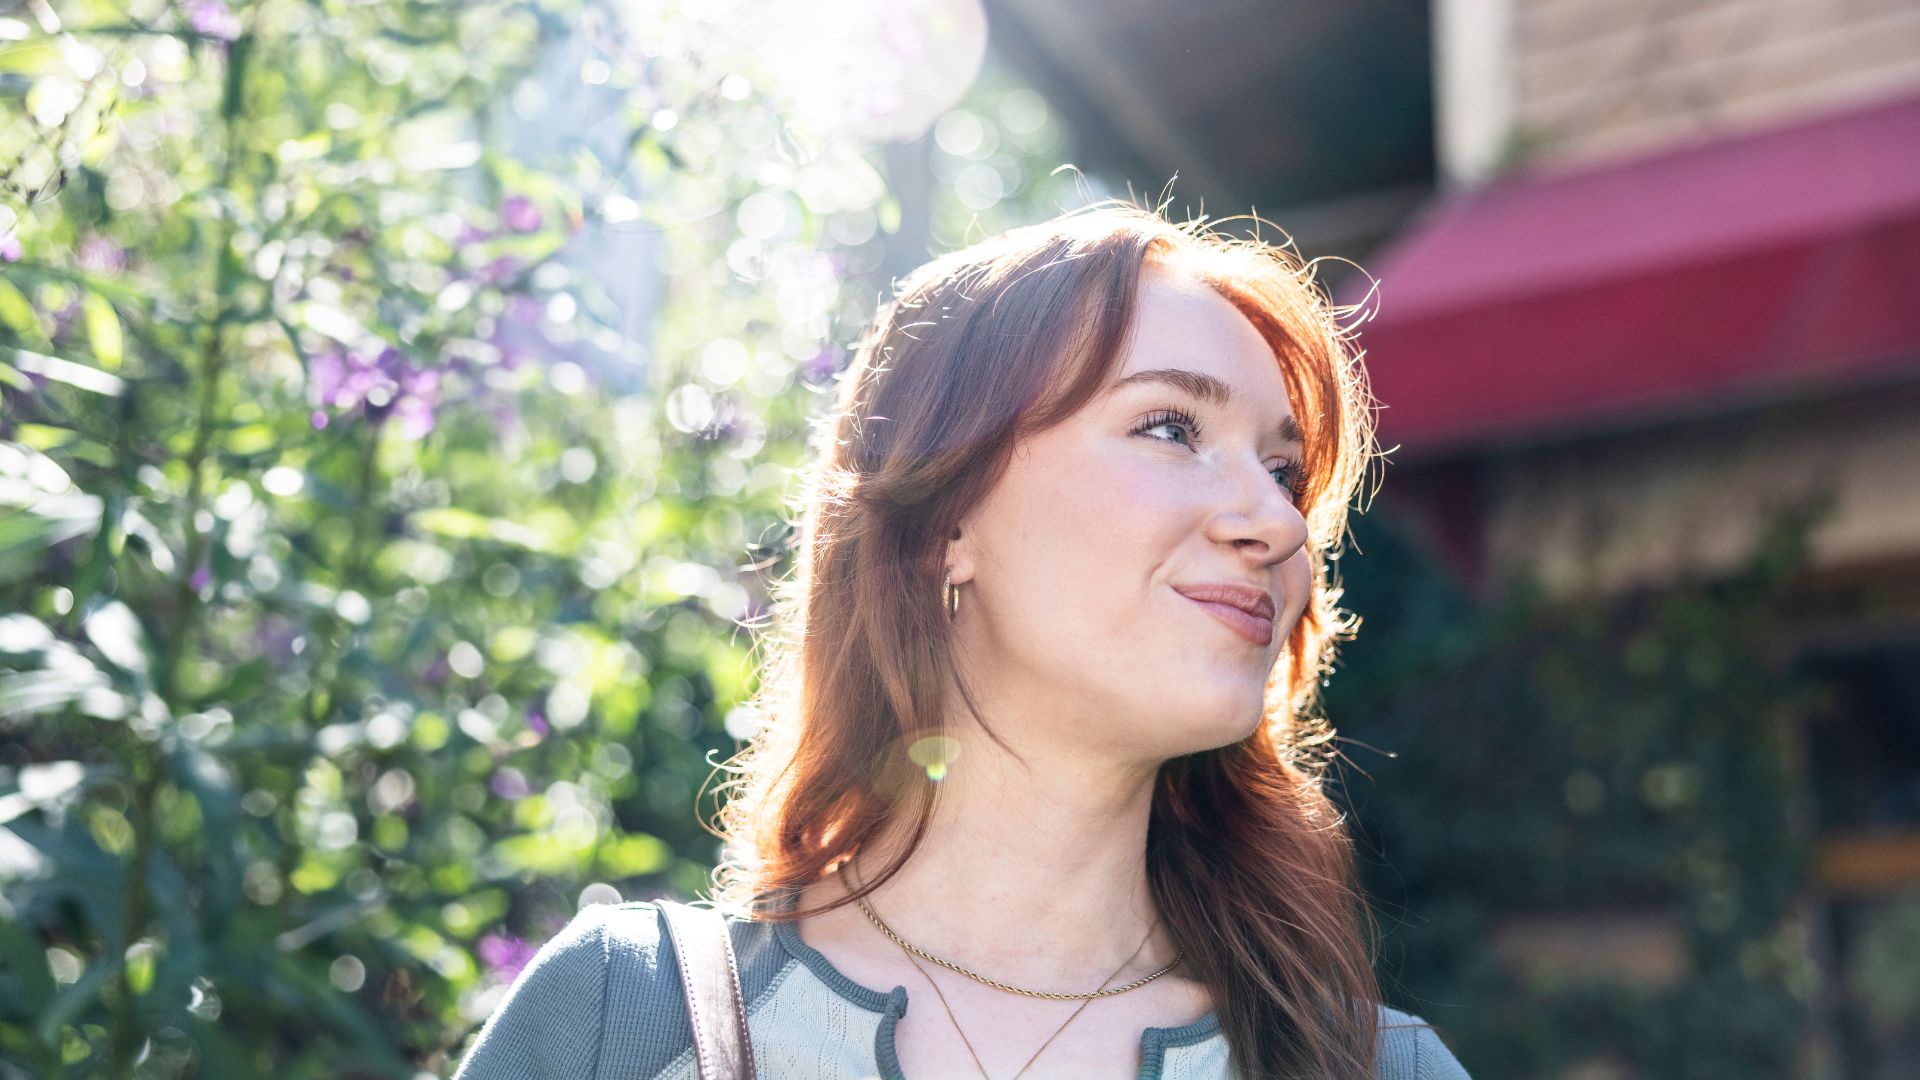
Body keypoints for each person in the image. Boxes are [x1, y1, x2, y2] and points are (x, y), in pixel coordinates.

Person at [451, 201, 1473, 1079]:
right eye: (1169, 427)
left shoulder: (1379, 1069)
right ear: (947, 520)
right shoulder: (620, 1025)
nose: (1280, 523)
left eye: (1285, 472)